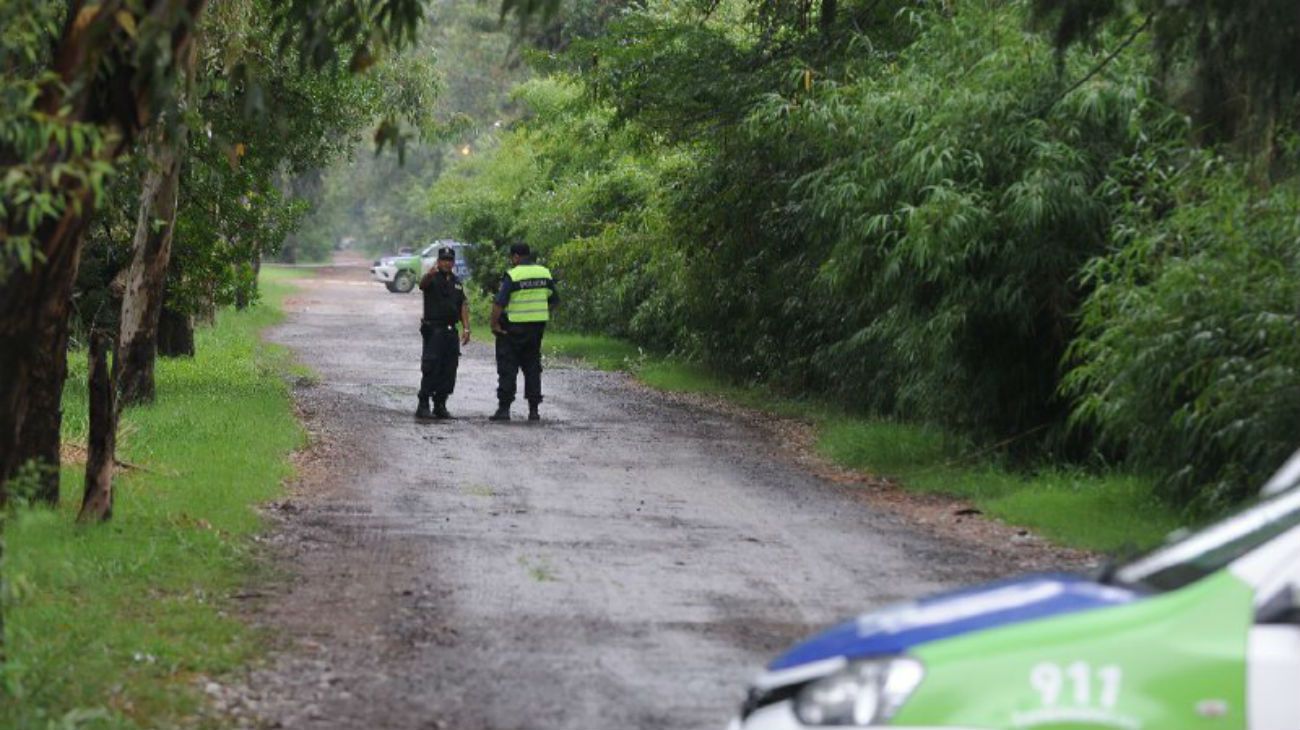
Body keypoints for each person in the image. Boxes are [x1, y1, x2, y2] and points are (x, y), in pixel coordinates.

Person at [489, 243, 557, 422]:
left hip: (513, 329)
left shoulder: (513, 274)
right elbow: (553, 299)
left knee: (508, 368)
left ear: (516, 257)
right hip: (536, 329)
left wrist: (494, 325)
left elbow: (499, 303)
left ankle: (504, 410)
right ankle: (533, 411)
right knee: (532, 368)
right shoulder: (545, 273)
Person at [416, 247, 470, 420]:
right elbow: (422, 285)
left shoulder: (457, 282)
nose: (447, 263)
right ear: (438, 262)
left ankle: (441, 404)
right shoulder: (432, 278)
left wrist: (466, 328)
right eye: (444, 260)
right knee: (431, 366)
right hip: (434, 329)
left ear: (453, 263)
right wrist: (429, 274)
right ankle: (423, 404)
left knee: (449, 368)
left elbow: (462, 305)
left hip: (450, 330)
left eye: (450, 260)